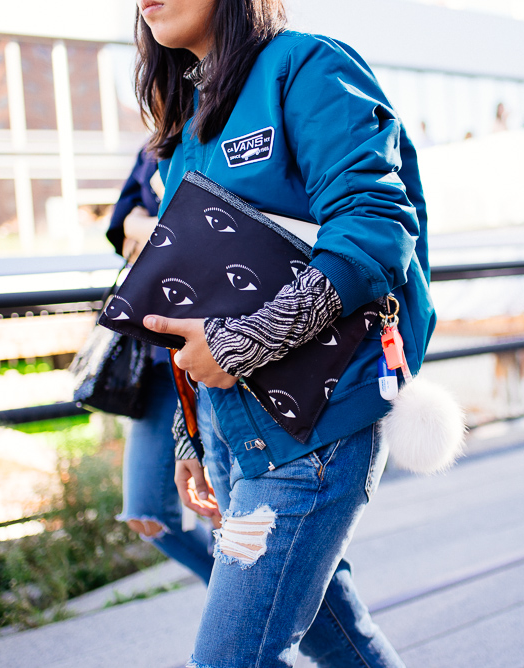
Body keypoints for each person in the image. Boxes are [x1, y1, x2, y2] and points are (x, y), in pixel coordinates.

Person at [132, 1, 436, 666]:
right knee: (343, 644)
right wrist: (189, 434)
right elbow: (196, 295)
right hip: (232, 437)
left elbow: (374, 230)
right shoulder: (188, 125)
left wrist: (244, 344)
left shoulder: (305, 66)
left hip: (315, 435)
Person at [106, 147, 217, 584]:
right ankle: (253, 600)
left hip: (221, 345)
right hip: (156, 357)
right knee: (147, 513)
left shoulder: (228, 118)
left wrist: (155, 236)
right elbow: (122, 219)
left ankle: (260, 608)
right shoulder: (155, 141)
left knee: (233, 514)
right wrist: (157, 231)